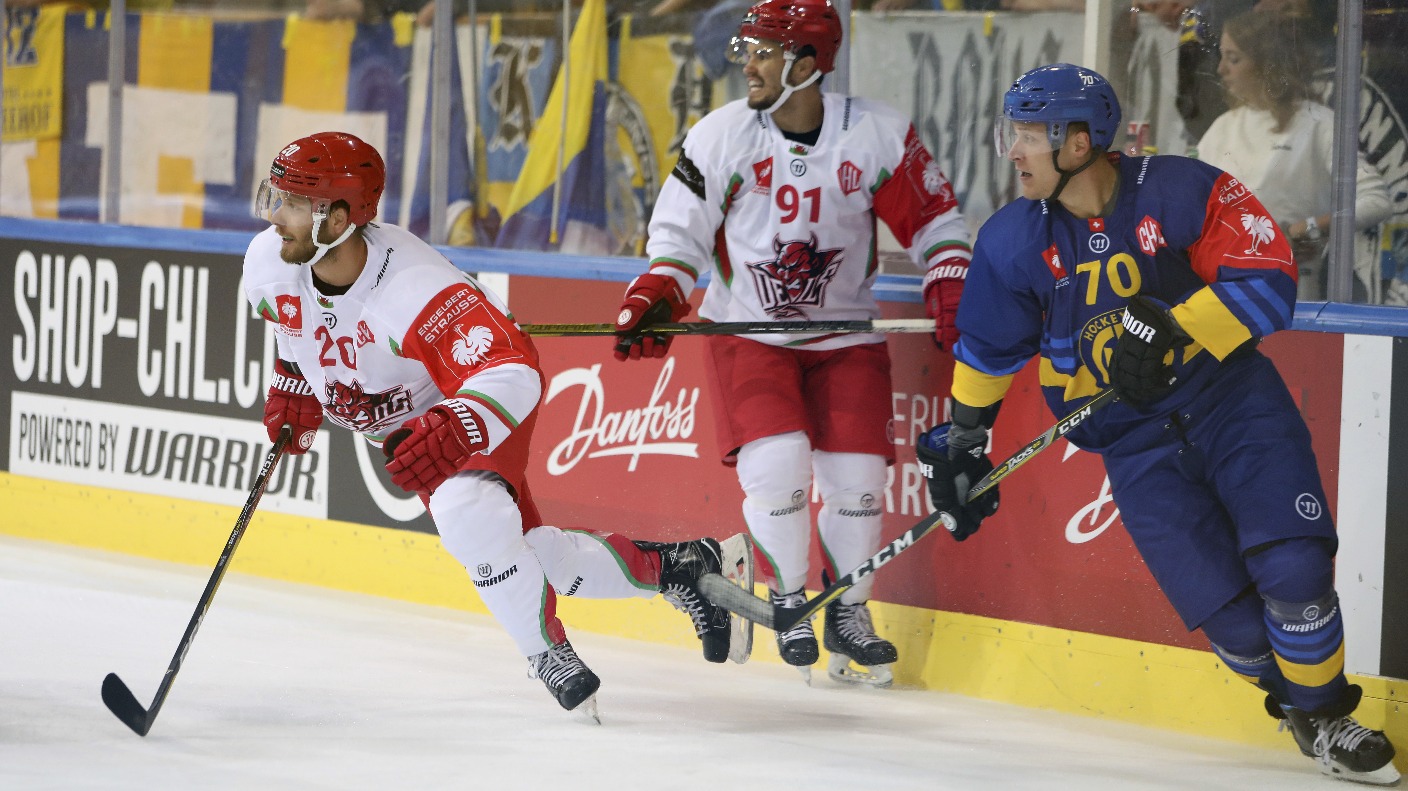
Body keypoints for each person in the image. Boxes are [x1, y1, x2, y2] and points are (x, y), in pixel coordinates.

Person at [917, 63, 1399, 785]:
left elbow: (1269, 278)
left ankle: (1327, 715)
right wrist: (961, 438)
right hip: (1133, 442)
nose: (1012, 150)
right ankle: (1300, 704)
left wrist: (1173, 330)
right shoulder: (1012, 241)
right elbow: (988, 349)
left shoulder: (1180, 189)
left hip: (1233, 403)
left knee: (1295, 571)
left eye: (1027, 134)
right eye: (1011, 131)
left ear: (1078, 142)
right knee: (1235, 625)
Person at [243, 131, 750, 719]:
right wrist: (294, 383)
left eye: (293, 204)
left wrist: (455, 428)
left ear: (336, 219)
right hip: (414, 419)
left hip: (473, 403)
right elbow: (292, 322)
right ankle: (686, 565)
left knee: (466, 512)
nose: (275, 216)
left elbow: (514, 372)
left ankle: (545, 653)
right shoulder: (270, 259)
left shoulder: (414, 291)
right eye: (275, 197)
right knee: (543, 561)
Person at [611, 0, 972, 687]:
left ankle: (849, 612)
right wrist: (657, 293)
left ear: (807, 65)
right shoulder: (721, 136)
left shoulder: (876, 134)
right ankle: (788, 595)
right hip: (750, 332)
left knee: (861, 481)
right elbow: (679, 237)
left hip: (844, 335)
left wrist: (950, 281)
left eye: (765, 52)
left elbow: (935, 221)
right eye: (748, 50)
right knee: (779, 461)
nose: (748, 64)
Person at [1196, 9, 1392, 301]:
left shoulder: (1318, 123)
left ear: (1266, 65)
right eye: (1221, 57)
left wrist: (1309, 228)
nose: (1221, 69)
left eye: (1234, 58)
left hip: (1293, 294)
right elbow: (1194, 206)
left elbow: (1376, 201)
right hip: (1220, 287)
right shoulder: (1222, 128)